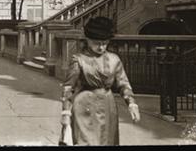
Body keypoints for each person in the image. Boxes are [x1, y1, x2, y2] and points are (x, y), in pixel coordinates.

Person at [60, 16, 140, 145]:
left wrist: (132, 104)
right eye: (97, 43)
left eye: (105, 43)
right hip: (84, 108)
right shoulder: (78, 60)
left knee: (106, 141)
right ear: (88, 40)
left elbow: (123, 84)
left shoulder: (114, 59)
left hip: (108, 107)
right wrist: (65, 113)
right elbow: (68, 88)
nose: (101, 47)